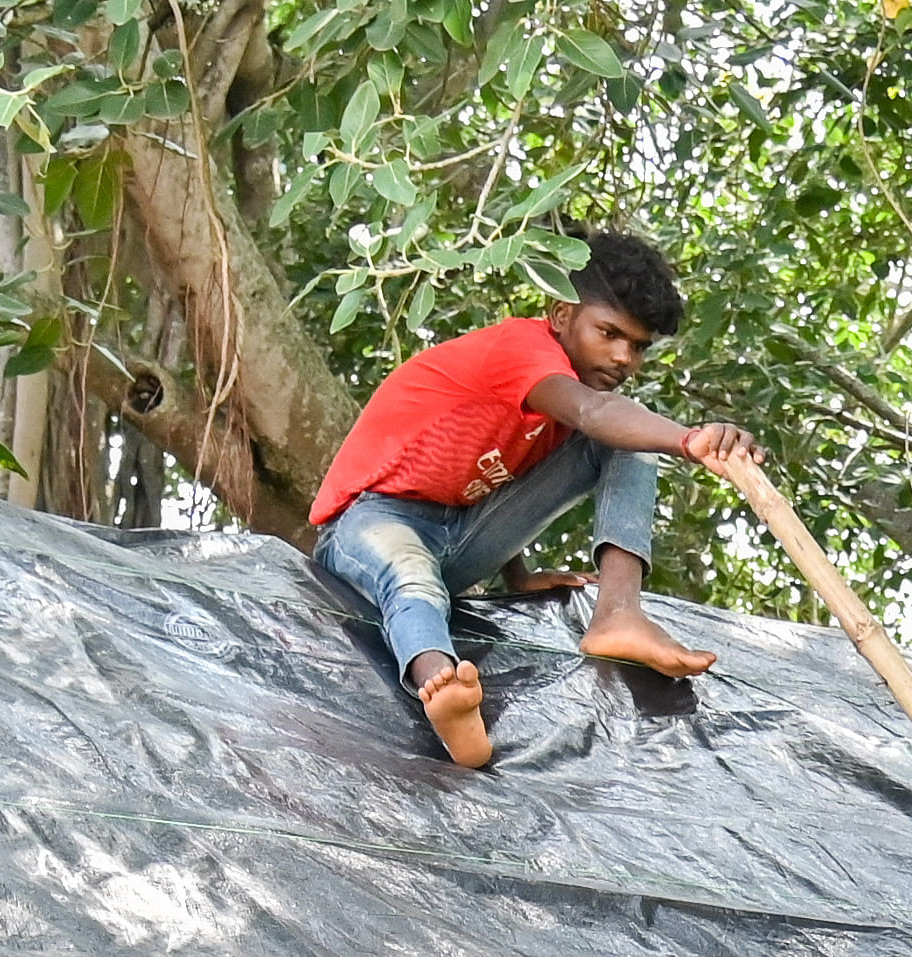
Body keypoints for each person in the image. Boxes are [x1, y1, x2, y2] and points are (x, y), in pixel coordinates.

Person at [308, 230, 754, 770]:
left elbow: (490, 475)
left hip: (459, 535)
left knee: (627, 441)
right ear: (561, 313)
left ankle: (618, 613)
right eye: (609, 333)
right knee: (410, 575)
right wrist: (688, 438)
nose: (622, 358)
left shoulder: (571, 401)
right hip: (370, 522)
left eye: (638, 346)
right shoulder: (522, 351)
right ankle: (442, 691)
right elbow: (592, 412)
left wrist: (516, 575)